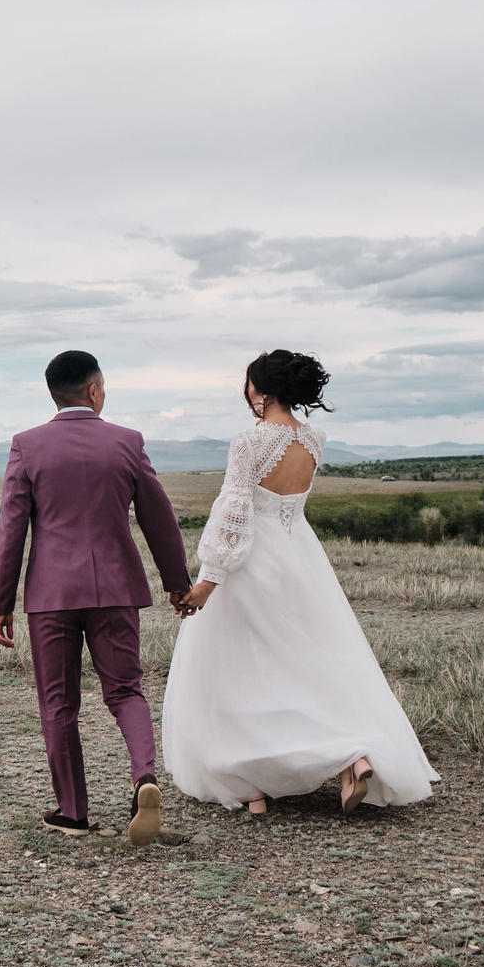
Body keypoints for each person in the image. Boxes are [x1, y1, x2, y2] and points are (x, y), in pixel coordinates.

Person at [161, 349, 439, 816]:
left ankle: (252, 785)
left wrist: (209, 579)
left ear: (261, 390)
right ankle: (355, 755)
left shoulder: (248, 441)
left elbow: (234, 510)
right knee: (310, 661)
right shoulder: (314, 439)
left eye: (248, 383)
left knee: (244, 667)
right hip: (300, 557)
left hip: (253, 561)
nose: (245, 391)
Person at [0, 350, 193, 846]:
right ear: (95, 390)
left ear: (54, 393)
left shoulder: (27, 445)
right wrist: (177, 581)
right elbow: (158, 517)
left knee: (58, 703)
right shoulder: (127, 442)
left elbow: (11, 528)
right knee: (125, 690)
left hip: (51, 596)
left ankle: (73, 812)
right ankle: (144, 778)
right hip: (116, 590)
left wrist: (2, 601)